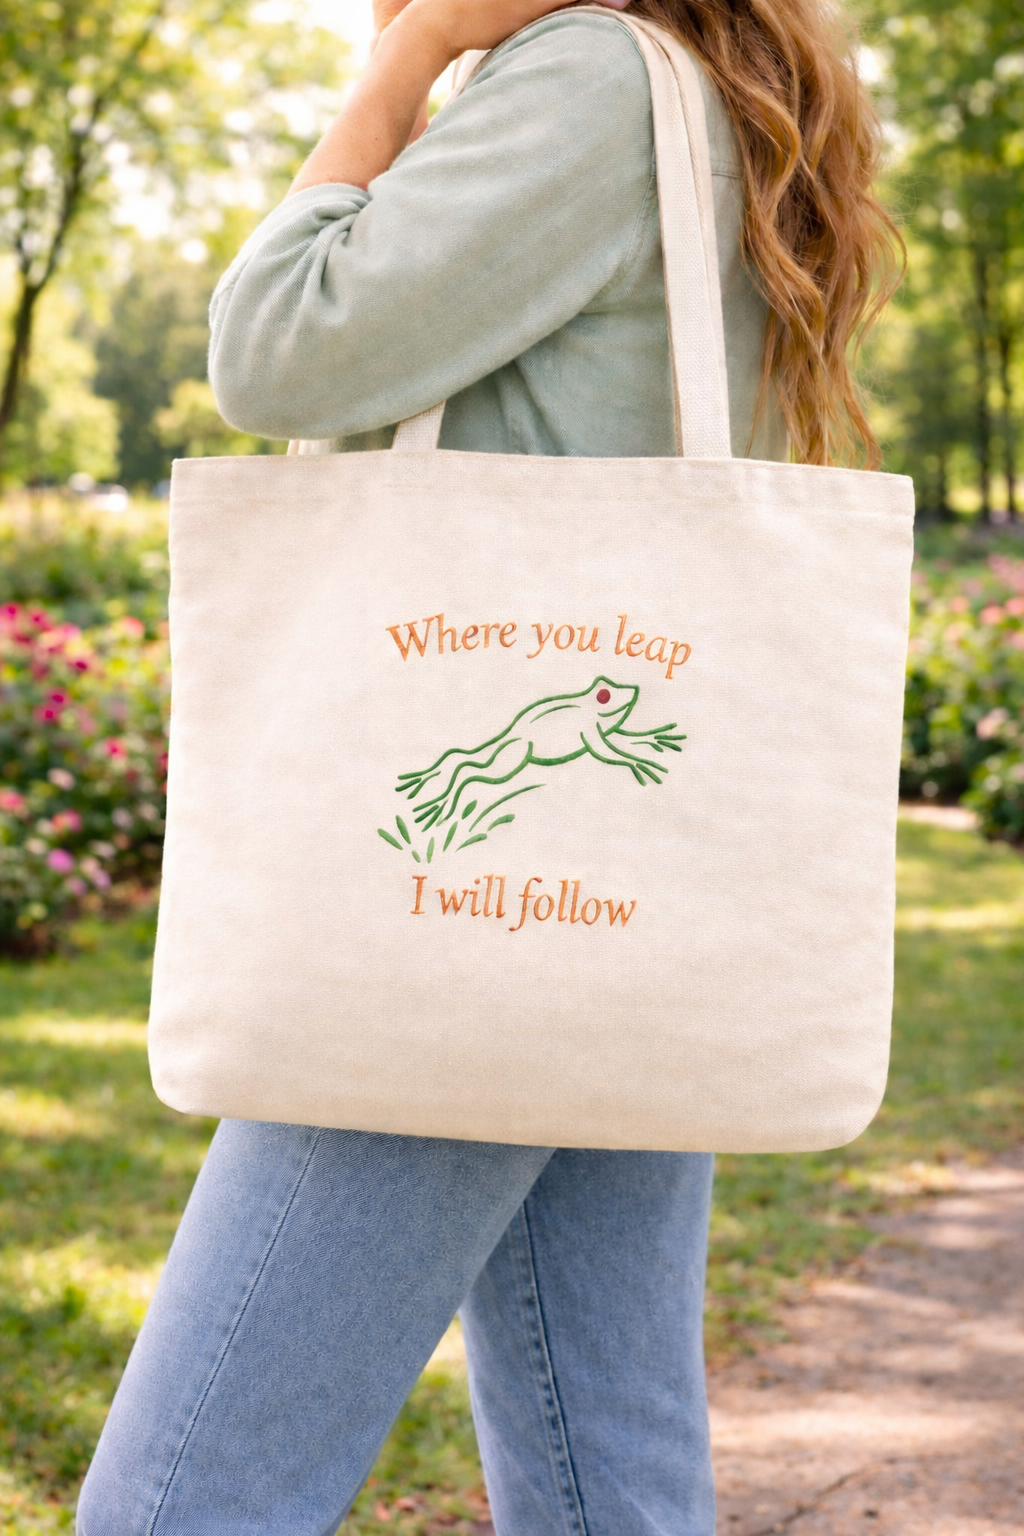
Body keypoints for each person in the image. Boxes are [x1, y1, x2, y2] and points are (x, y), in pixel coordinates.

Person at [77, 0, 899, 1531]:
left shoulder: (585, 78)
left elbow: (275, 349)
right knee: (611, 1471)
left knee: (186, 1496)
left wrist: (402, 65)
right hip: (610, 907)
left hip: (451, 919)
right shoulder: (705, 84)